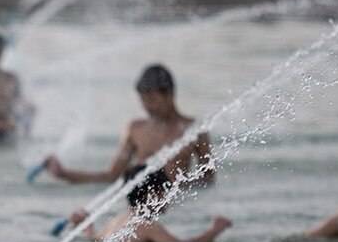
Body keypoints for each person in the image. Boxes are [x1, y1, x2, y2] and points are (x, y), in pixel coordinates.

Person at [44, 64, 214, 186]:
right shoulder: (135, 129)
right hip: (140, 206)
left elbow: (208, 178)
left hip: (178, 205)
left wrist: (173, 185)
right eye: (144, 101)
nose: (149, 107)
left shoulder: (195, 130)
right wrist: (64, 173)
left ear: (170, 94)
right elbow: (111, 176)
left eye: (153, 100)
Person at [70, 166, 231, 242]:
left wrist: (87, 226)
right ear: (151, 195)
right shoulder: (146, 226)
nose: (169, 196)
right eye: (165, 191)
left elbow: (93, 240)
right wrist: (216, 229)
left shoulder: (118, 220)